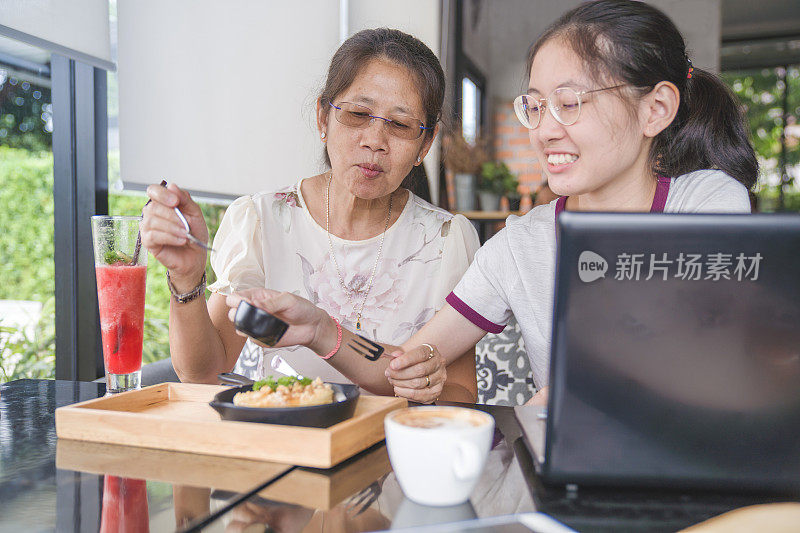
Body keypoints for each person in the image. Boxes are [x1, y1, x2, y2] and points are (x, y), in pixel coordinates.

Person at [224, 0, 756, 405]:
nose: (545, 130)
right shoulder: (521, 244)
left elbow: (701, 353)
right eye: (536, 105)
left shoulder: (706, 200)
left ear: (655, 109)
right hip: (570, 483)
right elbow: (408, 365)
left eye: (569, 103)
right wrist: (320, 329)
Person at [141, 28, 480, 403]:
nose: (375, 141)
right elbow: (202, 374)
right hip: (286, 444)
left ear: (424, 145)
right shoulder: (262, 221)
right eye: (357, 114)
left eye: (400, 125)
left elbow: (462, 394)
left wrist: (430, 389)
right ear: (323, 118)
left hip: (393, 451)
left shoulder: (446, 240)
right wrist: (187, 278)